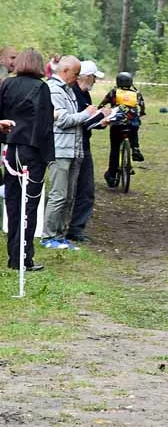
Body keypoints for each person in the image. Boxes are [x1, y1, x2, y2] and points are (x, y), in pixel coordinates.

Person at [41, 56, 105, 250]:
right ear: (65, 70)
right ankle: (48, 236)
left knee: (68, 196)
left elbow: (72, 119)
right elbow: (62, 120)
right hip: (60, 150)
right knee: (58, 195)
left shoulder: (68, 90)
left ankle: (60, 236)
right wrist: (88, 114)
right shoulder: (54, 90)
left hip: (74, 149)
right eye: (76, 74)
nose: (77, 78)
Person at [0, 49, 53, 271]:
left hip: (11, 149)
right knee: (29, 204)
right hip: (31, 151)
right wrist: (48, 157)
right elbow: (44, 125)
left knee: (13, 204)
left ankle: (14, 255)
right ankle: (23, 257)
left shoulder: (7, 84)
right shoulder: (41, 88)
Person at [67, 61, 107, 242]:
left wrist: (102, 121)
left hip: (84, 144)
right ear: (87, 76)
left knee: (86, 189)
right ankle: (65, 228)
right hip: (72, 146)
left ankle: (76, 228)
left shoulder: (85, 95)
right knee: (69, 190)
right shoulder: (72, 94)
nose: (95, 82)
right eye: (93, 78)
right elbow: (76, 119)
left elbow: (87, 121)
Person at [99, 71, 146, 187]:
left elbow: (104, 102)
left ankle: (112, 175)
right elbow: (142, 105)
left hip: (117, 123)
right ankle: (135, 148)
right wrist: (142, 112)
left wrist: (100, 107)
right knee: (134, 131)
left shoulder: (114, 92)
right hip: (132, 122)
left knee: (114, 149)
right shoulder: (136, 93)